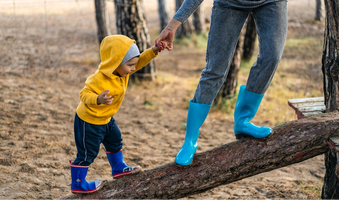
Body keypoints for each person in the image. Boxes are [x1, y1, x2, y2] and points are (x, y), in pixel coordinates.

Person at [155, 0, 288, 166]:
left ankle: (243, 121)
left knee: (271, 58)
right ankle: (190, 140)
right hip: (229, 3)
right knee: (214, 70)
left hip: (270, 2)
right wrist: (173, 25)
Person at [70, 35, 167, 194]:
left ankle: (118, 167)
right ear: (115, 63)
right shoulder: (98, 79)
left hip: (106, 119)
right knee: (88, 153)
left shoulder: (123, 71)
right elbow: (83, 94)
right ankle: (78, 183)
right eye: (130, 65)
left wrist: (154, 50)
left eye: (133, 65)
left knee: (115, 140)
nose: (133, 69)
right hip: (89, 121)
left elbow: (139, 61)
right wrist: (98, 99)